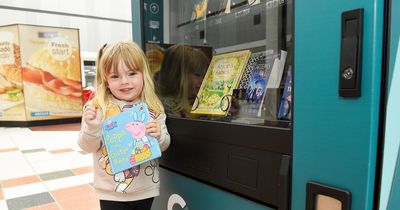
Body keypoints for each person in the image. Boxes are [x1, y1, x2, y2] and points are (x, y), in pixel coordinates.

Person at [78, 41, 170, 210]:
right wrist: (92, 127)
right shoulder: (98, 107)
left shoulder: (153, 107)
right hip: (110, 192)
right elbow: (86, 146)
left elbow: (164, 145)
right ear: (106, 81)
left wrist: (159, 135)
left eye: (132, 73)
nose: (124, 81)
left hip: (145, 190)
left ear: (143, 74)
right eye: (115, 76)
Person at [155, 44, 210, 118]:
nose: (203, 81)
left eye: (204, 76)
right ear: (177, 76)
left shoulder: (194, 101)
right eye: (197, 75)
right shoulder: (167, 106)